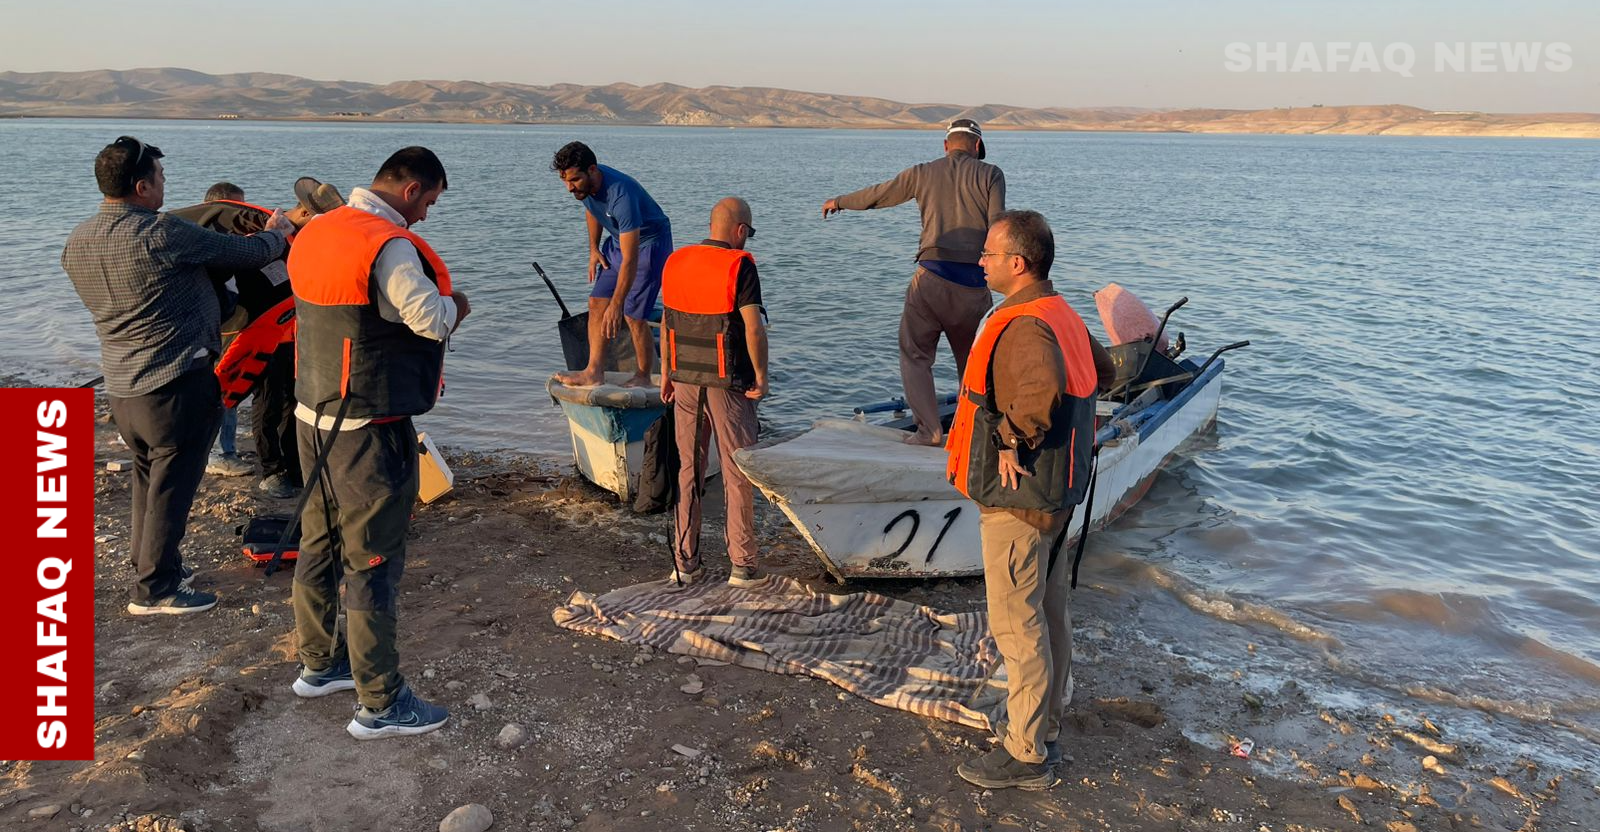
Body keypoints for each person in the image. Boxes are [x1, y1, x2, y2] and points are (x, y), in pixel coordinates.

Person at [62, 136, 294, 615]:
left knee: (149, 484)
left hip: (123, 387)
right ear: (143, 186)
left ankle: (150, 565)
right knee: (171, 491)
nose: (166, 186)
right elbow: (245, 255)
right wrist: (278, 230)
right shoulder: (162, 233)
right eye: (162, 178)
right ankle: (156, 591)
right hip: (176, 384)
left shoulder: (78, 240)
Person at [286, 146, 469, 739]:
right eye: (431, 203)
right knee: (372, 561)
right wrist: (456, 306)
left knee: (319, 541)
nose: (427, 217)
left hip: (313, 414)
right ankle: (381, 701)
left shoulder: (318, 230)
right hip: (370, 426)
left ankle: (321, 664)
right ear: (413, 189)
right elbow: (428, 319)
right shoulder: (385, 245)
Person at [944, 210, 1112, 790]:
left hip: (1022, 499)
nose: (981, 262)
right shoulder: (1059, 312)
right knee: (1050, 612)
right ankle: (1043, 725)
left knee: (1018, 625)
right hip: (1057, 495)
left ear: (1018, 264)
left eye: (989, 255)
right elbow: (1107, 370)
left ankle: (1028, 753)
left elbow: (1037, 397)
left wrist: (1013, 438)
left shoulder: (1024, 324)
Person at [821, 118, 1005, 446]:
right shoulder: (991, 174)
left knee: (916, 354)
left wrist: (839, 201)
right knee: (974, 364)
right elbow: (997, 228)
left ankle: (929, 432)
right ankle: (973, 436)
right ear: (977, 147)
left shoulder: (923, 172)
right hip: (974, 286)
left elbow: (880, 194)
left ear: (946, 146)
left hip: (931, 279)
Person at [659, 197, 770, 588]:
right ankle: (743, 565)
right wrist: (762, 376)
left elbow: (667, 322)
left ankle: (685, 561)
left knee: (689, 469)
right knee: (737, 472)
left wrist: (665, 374)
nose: (748, 240)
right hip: (728, 385)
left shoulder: (676, 262)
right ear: (740, 231)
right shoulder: (740, 265)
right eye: (749, 233)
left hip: (684, 378)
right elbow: (753, 329)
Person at [550, 141, 673, 388]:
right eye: (565, 181)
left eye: (573, 180)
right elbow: (591, 209)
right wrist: (594, 248)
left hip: (648, 247)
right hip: (617, 243)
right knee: (596, 303)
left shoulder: (621, 196)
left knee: (632, 315)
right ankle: (594, 371)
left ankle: (643, 375)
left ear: (592, 170)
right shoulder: (584, 188)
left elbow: (632, 259)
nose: (569, 188)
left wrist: (617, 305)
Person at [200, 181, 255, 479]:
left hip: (227, 320)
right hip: (221, 324)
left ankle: (218, 448)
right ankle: (222, 453)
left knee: (220, 387)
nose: (242, 213)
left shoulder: (219, 237)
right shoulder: (213, 241)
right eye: (236, 207)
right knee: (225, 387)